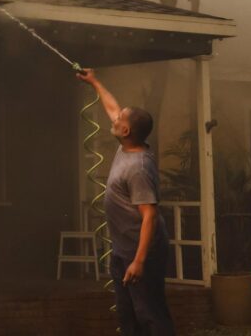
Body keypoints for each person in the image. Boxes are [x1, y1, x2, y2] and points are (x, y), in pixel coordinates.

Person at [77, 68, 175, 336]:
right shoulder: (127, 145)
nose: (114, 116)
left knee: (151, 315)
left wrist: (140, 261)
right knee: (128, 315)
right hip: (123, 250)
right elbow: (113, 108)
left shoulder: (139, 167)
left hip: (142, 252)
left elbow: (150, 216)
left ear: (126, 129)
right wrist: (95, 82)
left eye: (119, 118)